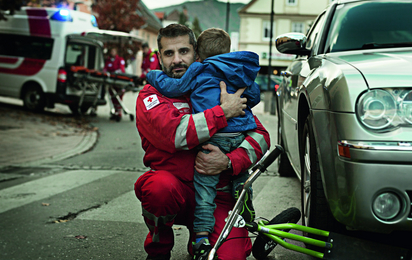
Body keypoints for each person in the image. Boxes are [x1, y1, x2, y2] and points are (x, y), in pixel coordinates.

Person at [134, 24, 270, 260]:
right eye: (169, 53)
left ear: (196, 53)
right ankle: (159, 249)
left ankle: (203, 238)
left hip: (216, 197)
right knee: (158, 188)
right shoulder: (151, 95)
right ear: (159, 57)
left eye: (183, 51)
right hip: (176, 193)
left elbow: (261, 135)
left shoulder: (220, 83)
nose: (177, 60)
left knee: (231, 257)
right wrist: (222, 112)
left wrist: (229, 161)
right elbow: (175, 134)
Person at [103, 47, 126, 121]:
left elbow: (122, 70)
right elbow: (105, 69)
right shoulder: (108, 60)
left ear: (116, 52)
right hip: (111, 81)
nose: (112, 52)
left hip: (118, 81)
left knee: (118, 96)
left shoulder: (120, 60)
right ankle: (115, 112)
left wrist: (115, 72)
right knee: (112, 96)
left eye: (113, 51)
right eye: (111, 51)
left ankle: (119, 113)